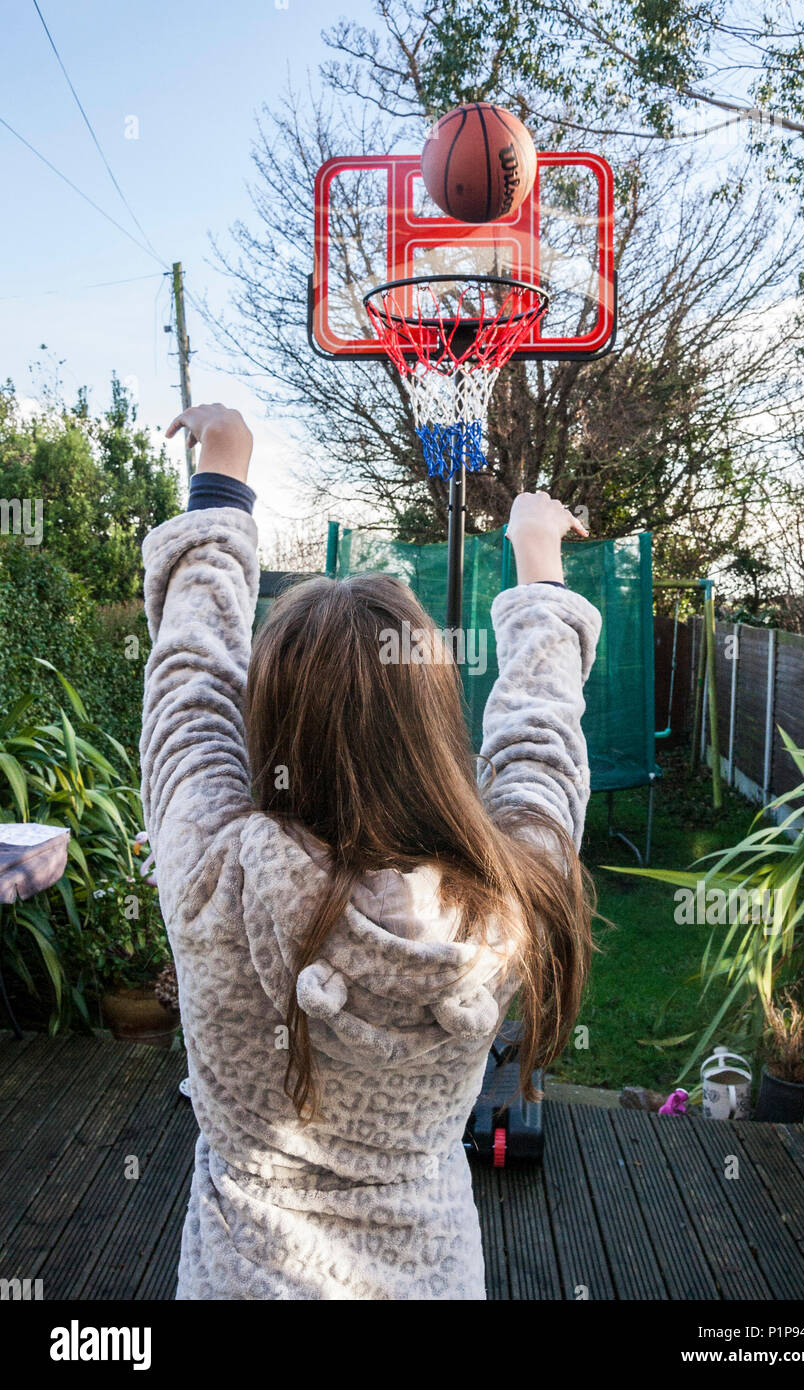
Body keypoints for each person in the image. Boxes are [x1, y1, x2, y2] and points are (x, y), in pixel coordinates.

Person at [141, 402, 601, 1300]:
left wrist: (223, 480)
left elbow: (190, 682)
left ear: (266, 727)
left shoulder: (215, 871)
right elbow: (540, 745)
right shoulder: (501, 907)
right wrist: (538, 563)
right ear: (433, 727)